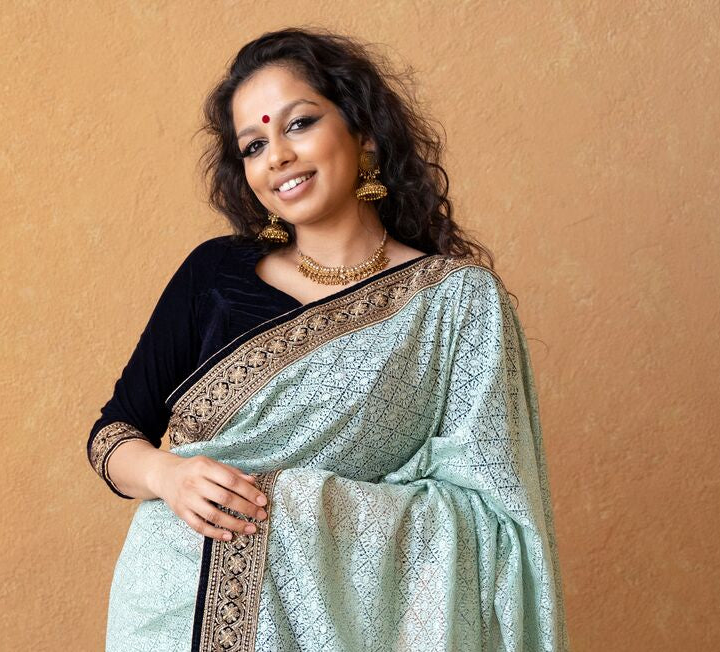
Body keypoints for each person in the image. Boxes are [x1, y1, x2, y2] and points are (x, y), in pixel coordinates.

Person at [84, 27, 568, 651]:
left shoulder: (455, 302)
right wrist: (167, 475)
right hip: (175, 606)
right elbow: (113, 435)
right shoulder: (212, 274)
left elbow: (492, 517)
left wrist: (305, 506)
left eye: (299, 124)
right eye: (254, 145)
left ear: (363, 133)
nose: (277, 157)